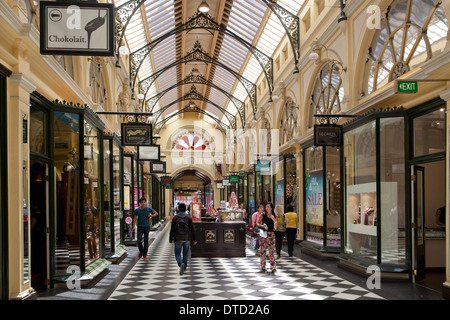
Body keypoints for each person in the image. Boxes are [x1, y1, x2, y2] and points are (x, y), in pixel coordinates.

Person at [169, 202, 197, 275]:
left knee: (177, 253)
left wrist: (170, 238)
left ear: (178, 209)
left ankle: (180, 263)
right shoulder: (188, 217)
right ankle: (184, 269)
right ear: (185, 209)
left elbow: (172, 229)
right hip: (186, 237)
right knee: (185, 253)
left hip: (177, 237)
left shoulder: (175, 217)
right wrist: (195, 239)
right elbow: (192, 229)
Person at [256, 202, 277, 273]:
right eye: (266, 207)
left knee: (271, 250)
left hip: (271, 234)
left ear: (271, 208)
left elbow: (275, 227)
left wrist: (274, 220)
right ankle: (263, 265)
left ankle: (273, 266)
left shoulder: (274, 215)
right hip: (264, 234)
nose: (267, 208)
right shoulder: (263, 215)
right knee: (262, 250)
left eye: (268, 207)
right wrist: (262, 226)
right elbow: (258, 223)